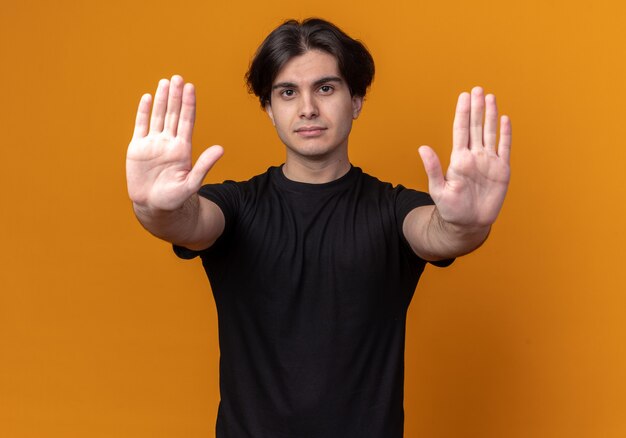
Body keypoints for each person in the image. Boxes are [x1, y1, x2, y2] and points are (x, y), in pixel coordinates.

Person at [126, 18, 511, 438]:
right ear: (270, 109)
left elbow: (441, 233)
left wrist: (468, 222)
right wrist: (152, 208)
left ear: (357, 100)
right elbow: (187, 221)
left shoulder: (394, 209)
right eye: (288, 92)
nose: (307, 107)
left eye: (325, 88)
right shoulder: (235, 206)